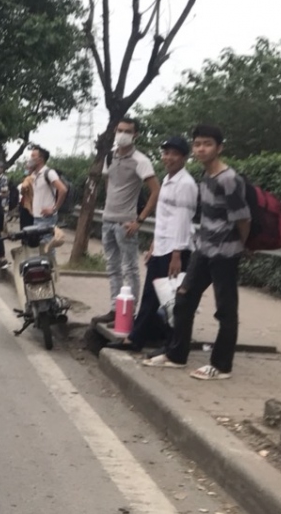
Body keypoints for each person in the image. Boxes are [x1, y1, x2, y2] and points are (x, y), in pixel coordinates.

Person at [146, 125, 251, 380]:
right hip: (203, 250)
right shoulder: (205, 177)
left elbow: (243, 219)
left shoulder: (229, 179)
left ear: (219, 147)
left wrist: (243, 246)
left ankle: (221, 366)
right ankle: (176, 355)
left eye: (207, 144)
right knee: (183, 300)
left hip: (225, 253)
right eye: (197, 144)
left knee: (226, 310)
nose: (201, 149)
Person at [108, 136, 197, 353]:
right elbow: (164, 219)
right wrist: (154, 246)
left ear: (184, 157)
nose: (169, 158)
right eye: (166, 153)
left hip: (176, 250)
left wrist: (176, 254)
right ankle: (143, 338)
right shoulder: (167, 180)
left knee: (169, 299)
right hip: (163, 247)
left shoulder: (185, 184)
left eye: (174, 154)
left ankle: (160, 342)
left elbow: (182, 222)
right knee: (154, 296)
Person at [96, 117, 160, 325]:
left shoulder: (141, 160)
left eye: (128, 131)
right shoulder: (109, 158)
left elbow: (155, 191)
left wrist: (139, 220)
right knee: (112, 267)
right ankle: (116, 309)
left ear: (135, 135)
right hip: (108, 220)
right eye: (120, 130)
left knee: (129, 269)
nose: (122, 134)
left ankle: (129, 313)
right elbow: (109, 184)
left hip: (126, 224)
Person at [29, 147, 66, 264]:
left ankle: (52, 272)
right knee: (41, 248)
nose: (30, 159)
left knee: (47, 247)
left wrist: (54, 208)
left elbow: (63, 189)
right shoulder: (35, 175)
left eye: (33, 156)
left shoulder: (49, 173)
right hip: (37, 217)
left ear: (40, 159)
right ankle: (46, 272)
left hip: (47, 217)